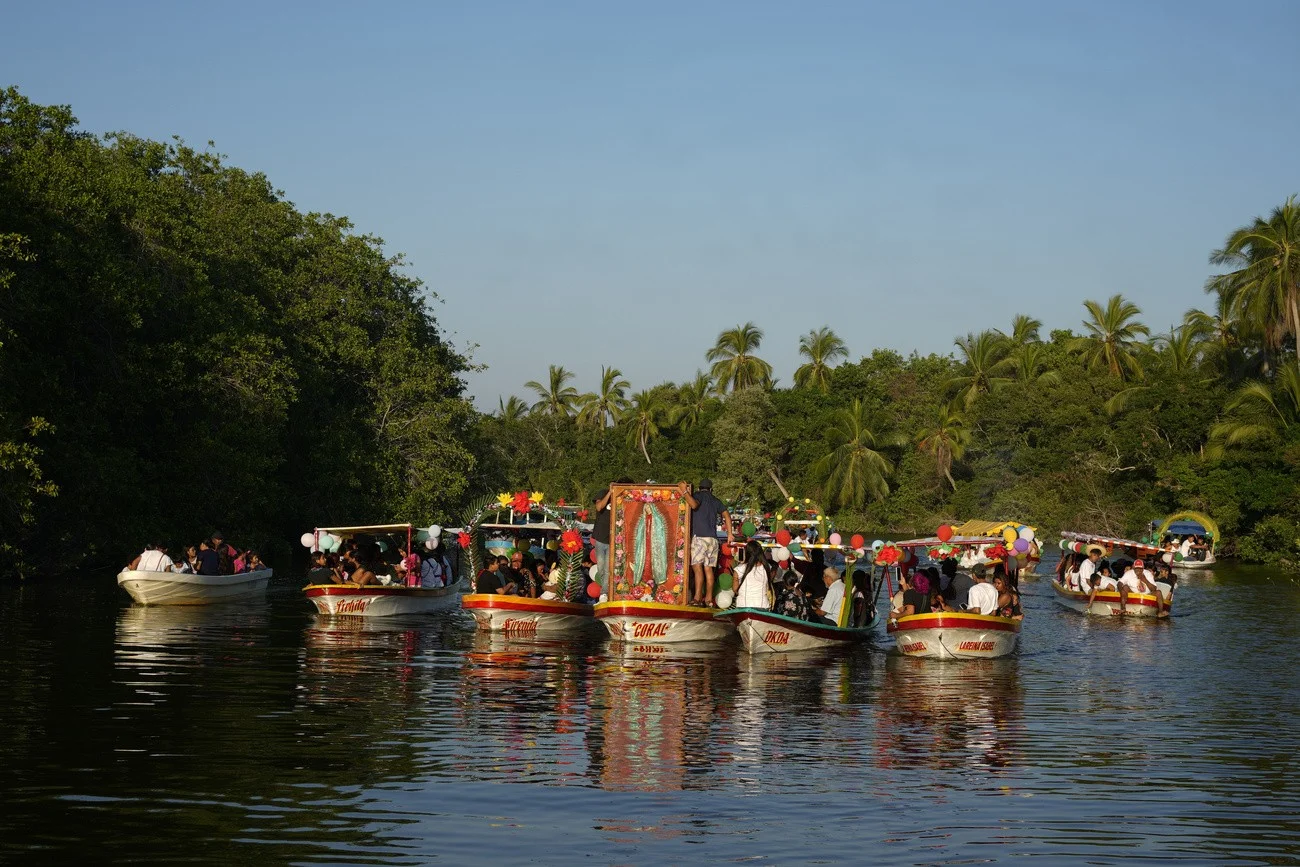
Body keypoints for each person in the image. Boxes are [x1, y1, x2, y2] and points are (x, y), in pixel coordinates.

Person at [682, 479, 735, 607]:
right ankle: (709, 599)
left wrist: (684, 491)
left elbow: (693, 505)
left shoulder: (698, 496)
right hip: (713, 539)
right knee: (708, 570)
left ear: (699, 488)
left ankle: (697, 598)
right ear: (711, 489)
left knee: (697, 568)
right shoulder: (715, 500)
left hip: (699, 538)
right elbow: (727, 515)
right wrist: (729, 534)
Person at [733, 539, 771, 610]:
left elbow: (735, 589)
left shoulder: (739, 569)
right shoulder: (767, 568)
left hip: (743, 604)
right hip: (762, 605)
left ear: (747, 553)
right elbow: (767, 586)